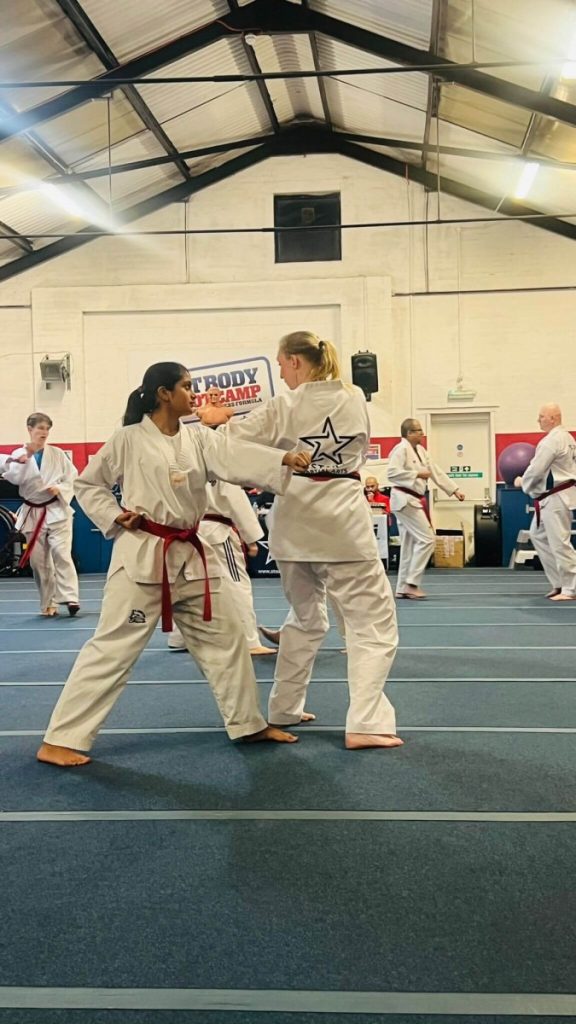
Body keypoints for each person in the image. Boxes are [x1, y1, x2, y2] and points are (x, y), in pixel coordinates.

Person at [36, 362, 311, 768]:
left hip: (193, 557)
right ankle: (60, 739)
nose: (193, 394)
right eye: (186, 386)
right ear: (164, 393)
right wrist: (114, 515)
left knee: (229, 639)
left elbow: (235, 456)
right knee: (113, 649)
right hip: (144, 557)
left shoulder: (199, 438)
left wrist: (283, 457)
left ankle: (248, 723)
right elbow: (89, 484)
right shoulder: (128, 439)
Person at [199, 331, 401, 751]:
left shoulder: (284, 406)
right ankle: (366, 722)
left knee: (305, 619)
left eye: (280, 364)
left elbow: (233, 442)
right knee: (371, 625)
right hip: (343, 525)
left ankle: (284, 708)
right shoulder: (354, 397)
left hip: (293, 524)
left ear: (294, 361)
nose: (280, 373)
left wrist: (221, 419)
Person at [168, 478, 276, 655]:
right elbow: (236, 501)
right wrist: (251, 539)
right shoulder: (218, 465)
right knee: (237, 585)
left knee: (189, 586)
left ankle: (180, 638)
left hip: (182, 532)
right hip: (216, 532)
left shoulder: (176, 466)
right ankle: (249, 640)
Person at [2, 413, 80, 616]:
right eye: (40, 428)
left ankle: (71, 598)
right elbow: (14, 478)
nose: (44, 432)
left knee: (62, 552)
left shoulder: (57, 454)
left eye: (47, 429)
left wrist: (60, 489)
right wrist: (22, 460)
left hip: (57, 509)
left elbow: (73, 477)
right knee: (38, 562)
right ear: (30, 429)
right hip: (32, 512)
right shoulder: (19, 454)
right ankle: (48, 603)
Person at [387, 418, 465, 600]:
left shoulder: (421, 451)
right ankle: (411, 583)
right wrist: (416, 474)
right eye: (418, 430)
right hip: (405, 499)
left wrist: (454, 490)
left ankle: (402, 588)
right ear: (409, 433)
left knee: (409, 545)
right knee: (427, 539)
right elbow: (391, 473)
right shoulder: (400, 450)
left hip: (412, 499)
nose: (422, 433)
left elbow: (434, 471)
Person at [515, 403, 576, 601]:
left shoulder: (552, 441)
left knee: (560, 543)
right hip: (553, 497)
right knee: (537, 535)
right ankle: (559, 582)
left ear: (553, 418)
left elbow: (536, 470)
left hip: (556, 497)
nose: (538, 420)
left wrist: (522, 483)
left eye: (542, 416)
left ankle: (571, 588)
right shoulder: (567, 438)